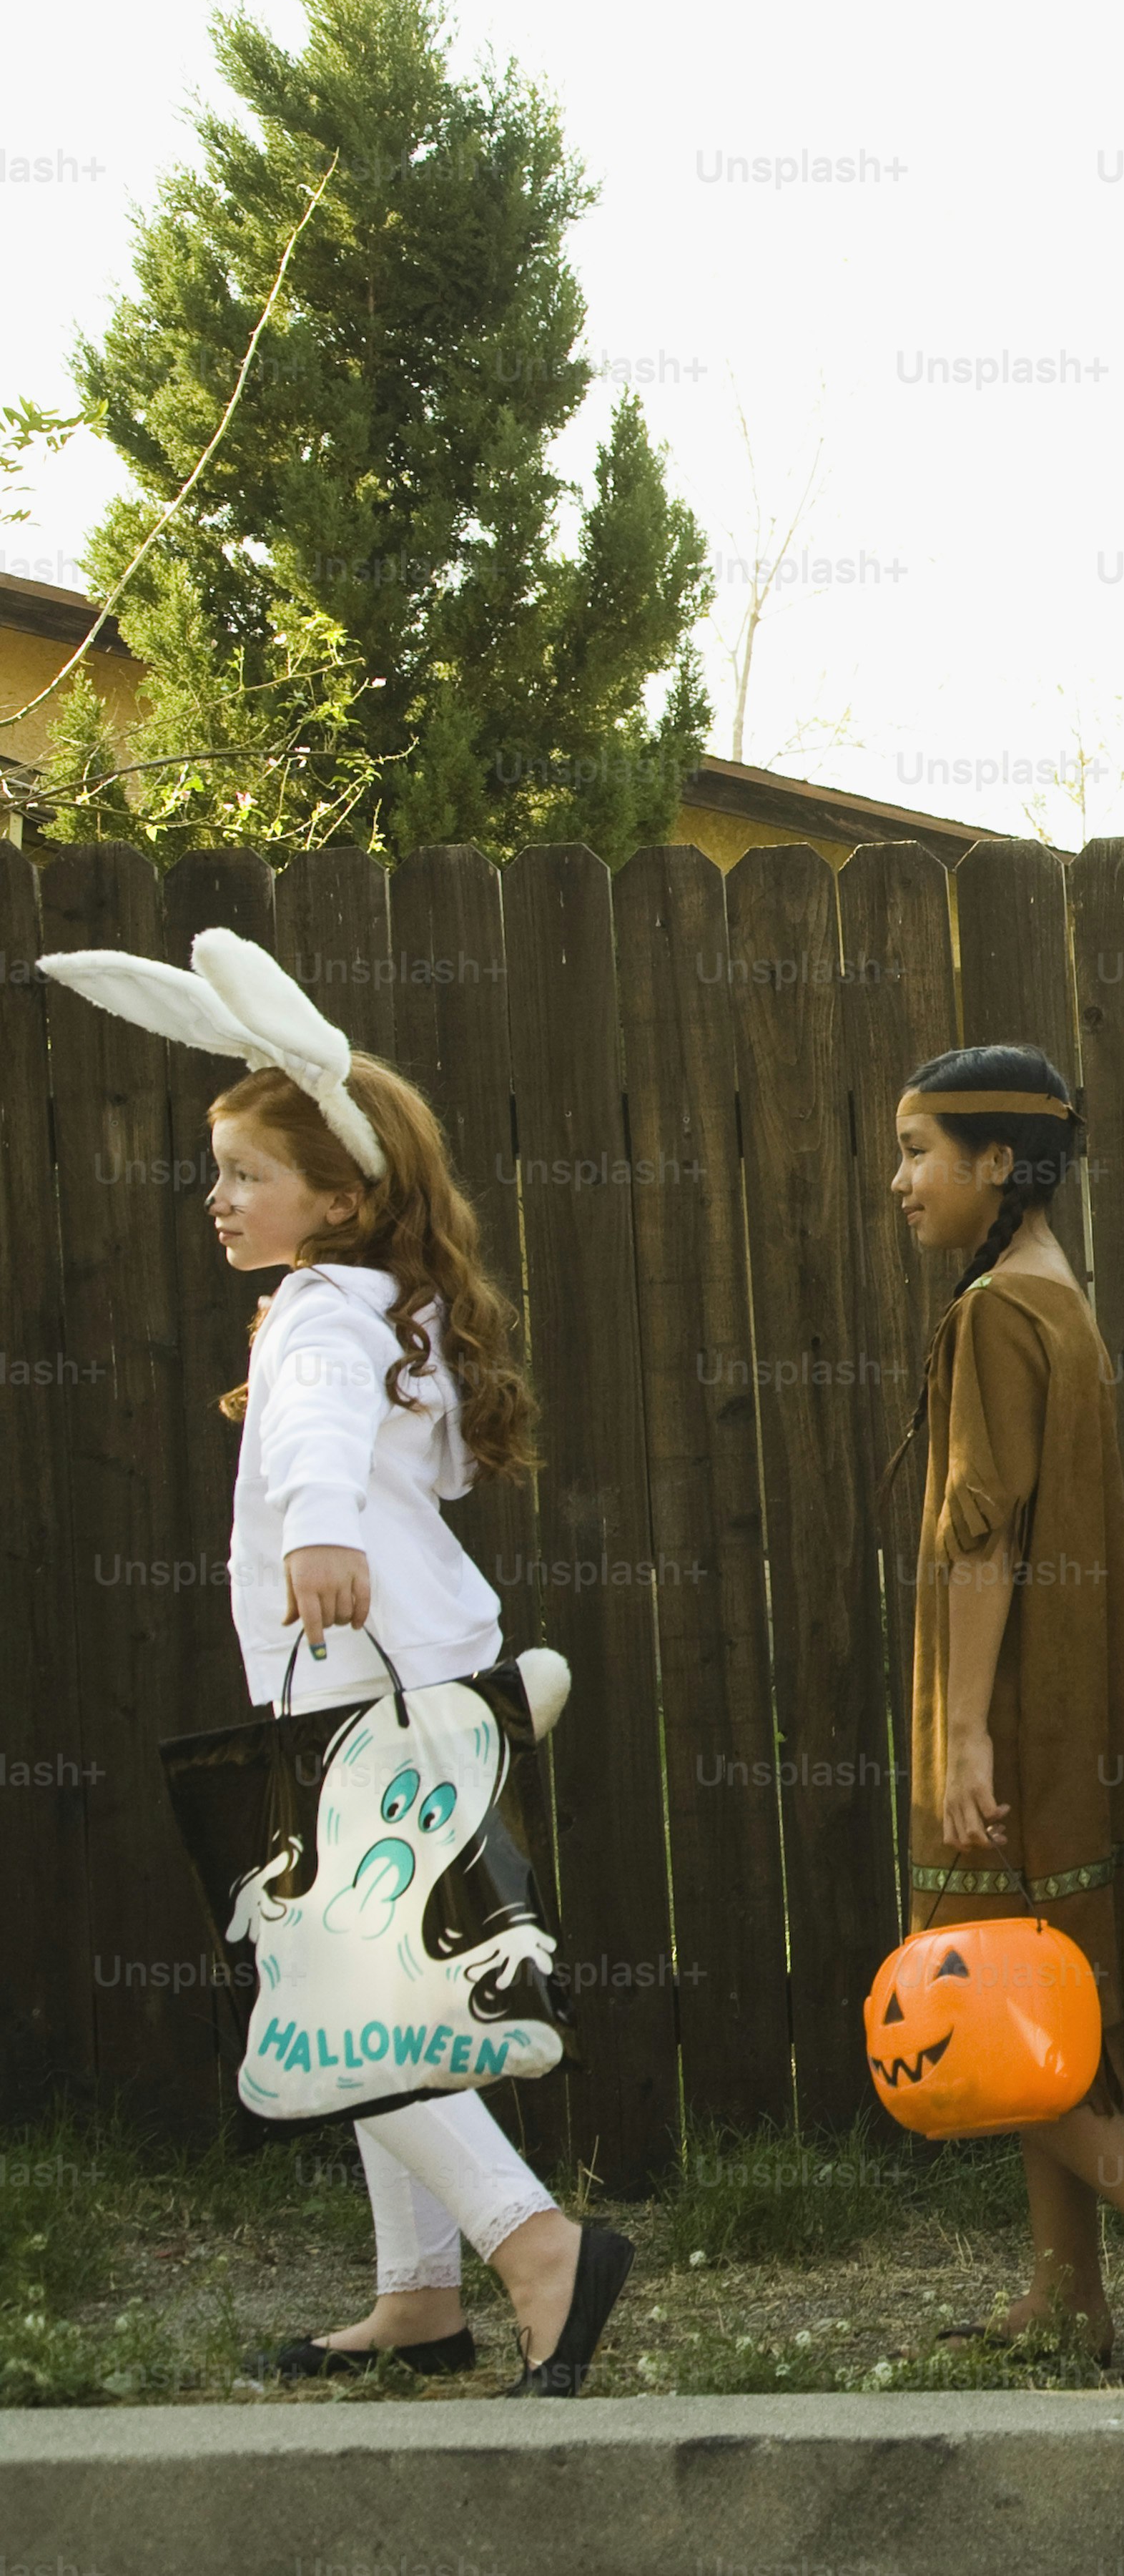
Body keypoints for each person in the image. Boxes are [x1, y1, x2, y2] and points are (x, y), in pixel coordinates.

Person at [41, 928, 630, 2395]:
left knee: (338, 1997)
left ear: (342, 1198)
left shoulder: (319, 1310)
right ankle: (418, 2297)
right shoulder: (396, 1307)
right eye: (219, 1171)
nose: (219, 1197)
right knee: (385, 1986)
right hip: (414, 1669)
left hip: (357, 1679)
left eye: (248, 1173)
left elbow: (311, 1425)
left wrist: (314, 1527)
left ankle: (538, 2246)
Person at [889, 1045, 1124, 2386]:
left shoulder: (998, 1309)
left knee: (973, 2003)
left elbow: (981, 1533)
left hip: (1014, 1704)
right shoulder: (1056, 1291)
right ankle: (1065, 2288)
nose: (901, 1182)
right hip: (1068, 1694)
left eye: (919, 1152)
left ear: (998, 1163)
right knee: (1031, 1984)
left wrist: (964, 1732)